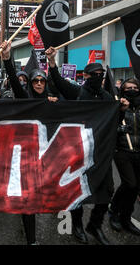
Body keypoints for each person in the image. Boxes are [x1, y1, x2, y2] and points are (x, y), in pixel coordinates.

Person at [46, 46, 114, 245]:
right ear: (86, 76)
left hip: (100, 153)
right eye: (94, 74)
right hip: (78, 152)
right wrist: (52, 61)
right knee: (77, 191)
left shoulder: (107, 98)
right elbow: (58, 81)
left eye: (101, 74)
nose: (98, 77)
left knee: (107, 190)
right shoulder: (76, 92)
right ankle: (76, 225)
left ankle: (95, 225)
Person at [1, 41, 57, 245]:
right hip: (25, 157)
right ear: (32, 84)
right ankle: (31, 240)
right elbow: (16, 83)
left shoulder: (53, 102)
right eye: (36, 82)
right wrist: (7, 59)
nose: (40, 84)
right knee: (29, 201)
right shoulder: (25, 98)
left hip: (45, 157)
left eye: (42, 81)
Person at [108, 78, 140, 236]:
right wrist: (120, 114)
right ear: (123, 90)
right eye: (129, 88)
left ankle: (126, 218)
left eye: (135, 87)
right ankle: (114, 210)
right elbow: (107, 127)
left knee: (136, 187)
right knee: (130, 183)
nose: (133, 90)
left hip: (138, 151)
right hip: (122, 150)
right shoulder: (117, 105)